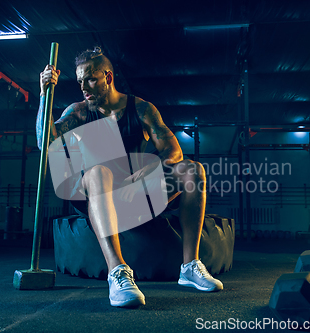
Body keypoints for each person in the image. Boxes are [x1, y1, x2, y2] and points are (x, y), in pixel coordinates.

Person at [37, 46, 223, 307]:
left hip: (134, 192)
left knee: (193, 170)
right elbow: (46, 143)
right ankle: (117, 272)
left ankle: (190, 266)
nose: (84, 87)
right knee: (99, 172)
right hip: (95, 193)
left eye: (90, 79)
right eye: (80, 81)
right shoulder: (78, 112)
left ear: (108, 78)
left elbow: (173, 151)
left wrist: (147, 172)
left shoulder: (141, 109)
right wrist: (44, 95)